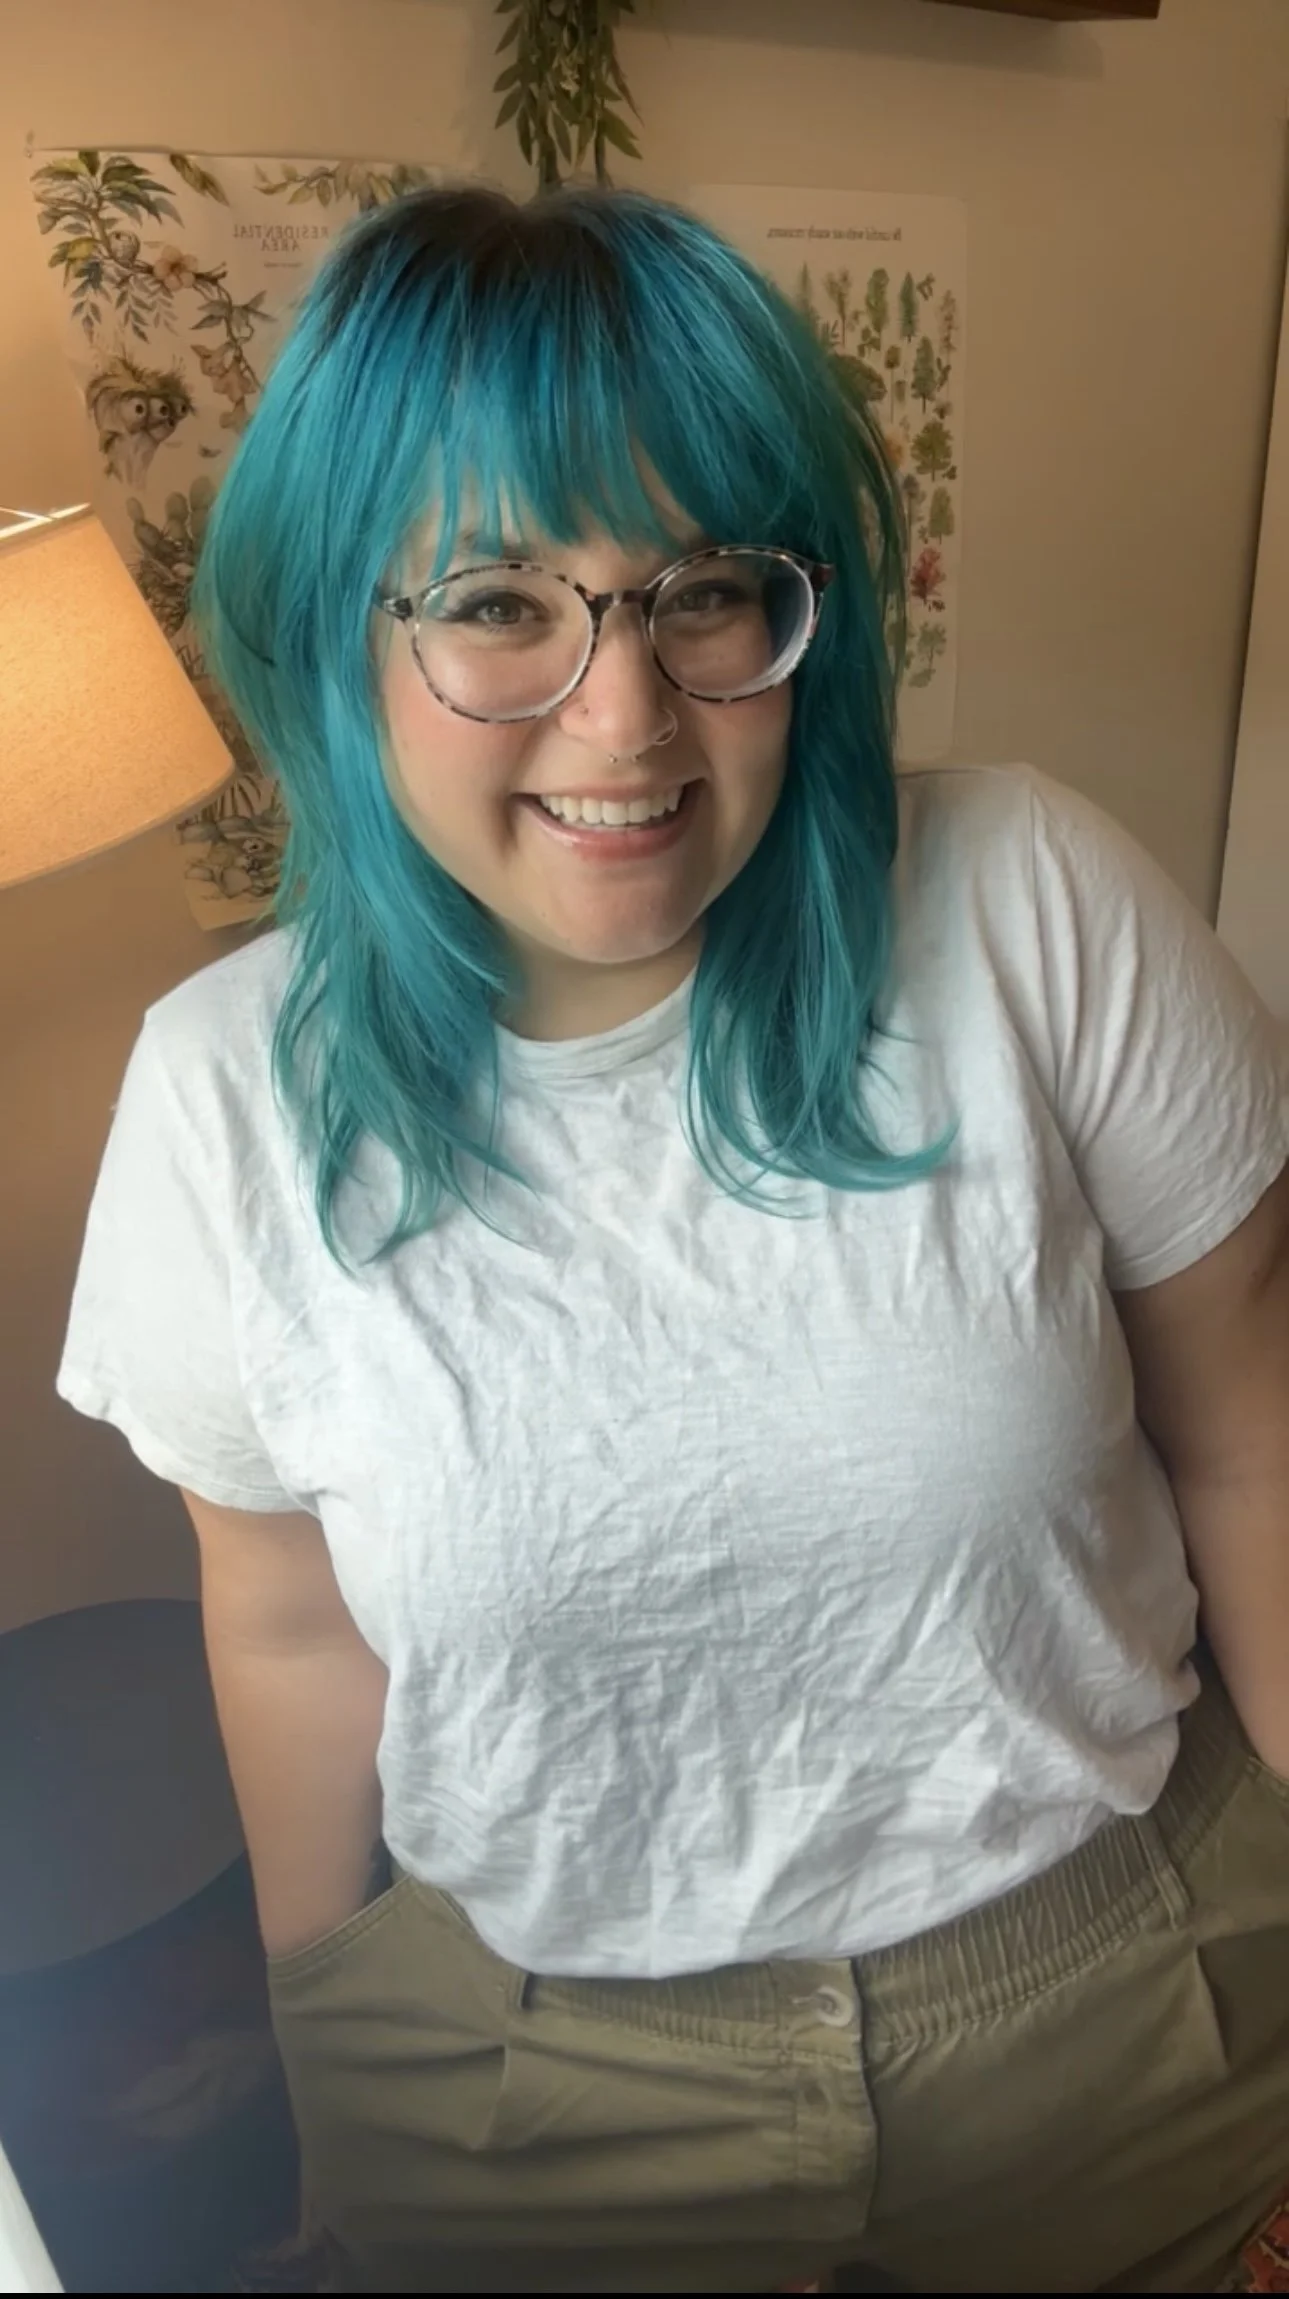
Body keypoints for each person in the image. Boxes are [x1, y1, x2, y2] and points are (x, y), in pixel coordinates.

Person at [56, 181, 1289, 2297]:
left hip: (1129, 2008)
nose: (623, 718)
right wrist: (326, 2021)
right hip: (531, 2090)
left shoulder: (1033, 904)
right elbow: (287, 1622)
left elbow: (1252, 1432)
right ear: (343, 637)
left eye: (702, 593)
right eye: (495, 601)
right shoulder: (218, 1101)